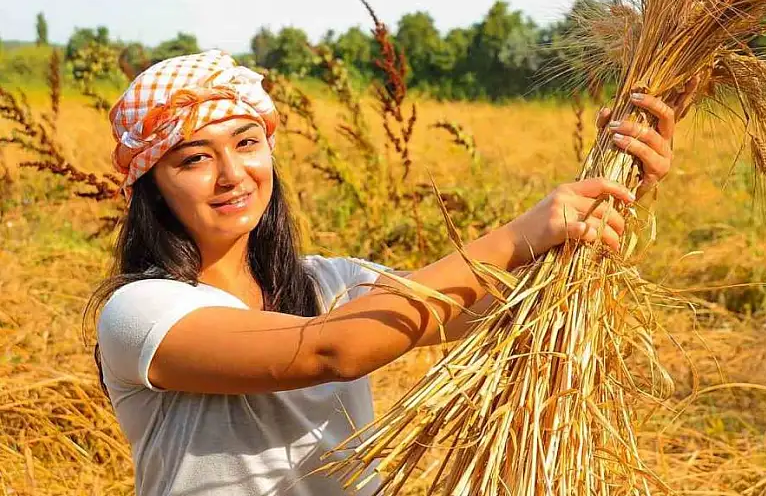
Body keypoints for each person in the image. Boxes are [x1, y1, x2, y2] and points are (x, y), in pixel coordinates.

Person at [88, 50, 675, 495]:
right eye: (194, 158)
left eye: (246, 143)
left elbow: (501, 305)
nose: (231, 174)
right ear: (152, 187)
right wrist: (521, 232)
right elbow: (331, 351)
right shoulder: (140, 312)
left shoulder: (330, 283)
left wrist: (612, 194)